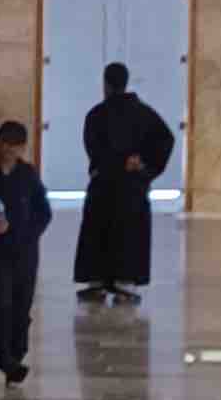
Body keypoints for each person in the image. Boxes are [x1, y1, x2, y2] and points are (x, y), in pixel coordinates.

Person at [75, 59, 177, 307]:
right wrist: (144, 166)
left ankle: (96, 281)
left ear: (106, 84)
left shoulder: (97, 114)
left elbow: (94, 149)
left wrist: (111, 164)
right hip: (132, 186)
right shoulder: (144, 113)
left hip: (104, 185)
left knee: (99, 231)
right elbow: (166, 139)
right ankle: (125, 283)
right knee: (128, 233)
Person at [0, 117, 52, 383]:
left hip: (25, 252)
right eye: (5, 144)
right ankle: (5, 357)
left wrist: (29, 236)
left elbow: (44, 213)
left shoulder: (28, 174)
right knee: (2, 303)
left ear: (22, 148)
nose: (9, 150)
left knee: (22, 305)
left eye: (16, 146)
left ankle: (18, 354)